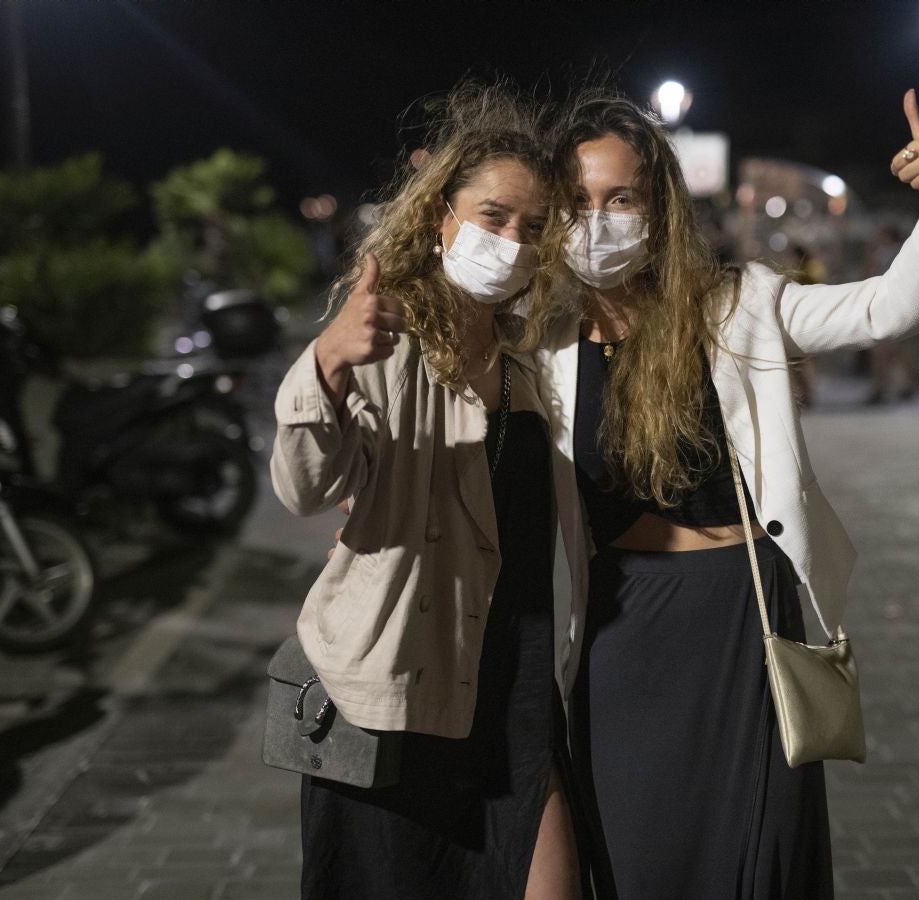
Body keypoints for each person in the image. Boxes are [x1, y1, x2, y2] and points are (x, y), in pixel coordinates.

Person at [525, 86, 919, 898]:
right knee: (635, 864)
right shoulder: (544, 344)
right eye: (577, 201)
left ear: (658, 207)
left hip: (741, 622)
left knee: (751, 866)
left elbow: (887, 306)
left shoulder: (736, 306)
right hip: (618, 639)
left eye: (619, 197)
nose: (597, 220)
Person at [269, 84, 581, 899]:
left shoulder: (527, 362)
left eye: (533, 227)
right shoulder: (388, 336)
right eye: (492, 215)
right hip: (394, 688)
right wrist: (329, 366)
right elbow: (306, 487)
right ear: (443, 215)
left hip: (510, 681)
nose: (512, 240)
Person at [862, 224, 918, 404]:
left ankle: (883, 388)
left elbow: (871, 274)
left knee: (884, 350)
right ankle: (904, 386)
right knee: (897, 350)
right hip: (899, 305)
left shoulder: (886, 253)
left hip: (888, 305)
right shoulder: (901, 252)